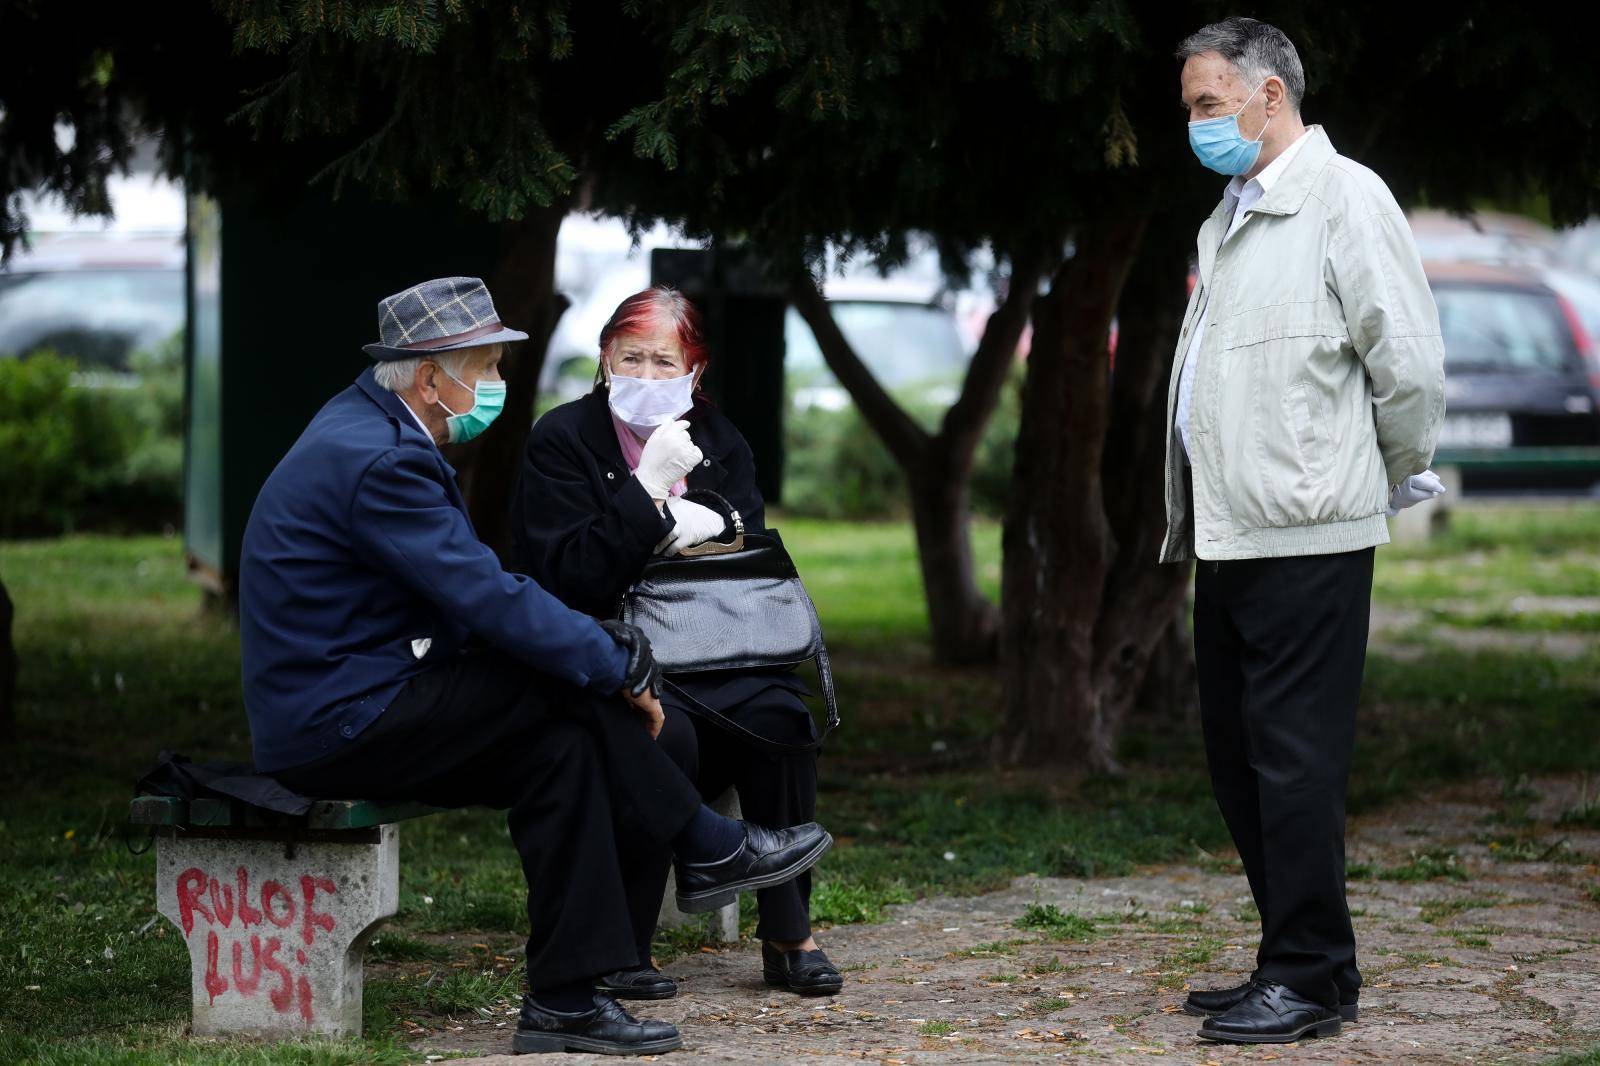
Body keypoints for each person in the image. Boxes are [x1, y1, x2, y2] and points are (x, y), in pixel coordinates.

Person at [239, 276, 833, 1056]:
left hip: (365, 692)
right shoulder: (381, 459)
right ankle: (706, 842)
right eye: (483, 369)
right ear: (428, 377)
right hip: (341, 718)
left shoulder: (370, 427)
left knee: (562, 751)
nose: (493, 386)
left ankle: (565, 998)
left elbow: (467, 598)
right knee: (571, 689)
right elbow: (489, 596)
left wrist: (602, 663)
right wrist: (618, 662)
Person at [1165, 19, 1448, 1045]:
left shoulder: (1345, 197)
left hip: (1307, 531)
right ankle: (1297, 955)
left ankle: (1311, 974)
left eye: (1208, 103)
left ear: (1267, 94)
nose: (1195, 123)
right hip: (1231, 532)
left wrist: (1368, 474)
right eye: (1190, 106)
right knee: (1238, 758)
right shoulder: (1233, 210)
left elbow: (1406, 367)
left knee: (1292, 761)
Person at [510, 286, 842, 998]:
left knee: (781, 717)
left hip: (719, 642)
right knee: (661, 731)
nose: (647, 377)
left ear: (696, 371)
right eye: (631, 358)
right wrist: (647, 500)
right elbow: (568, 575)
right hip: (621, 654)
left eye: (665, 362)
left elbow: (745, 549)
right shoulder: (563, 439)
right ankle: (626, 946)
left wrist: (697, 526)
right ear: (605, 360)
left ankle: (790, 934)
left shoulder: (720, 440)